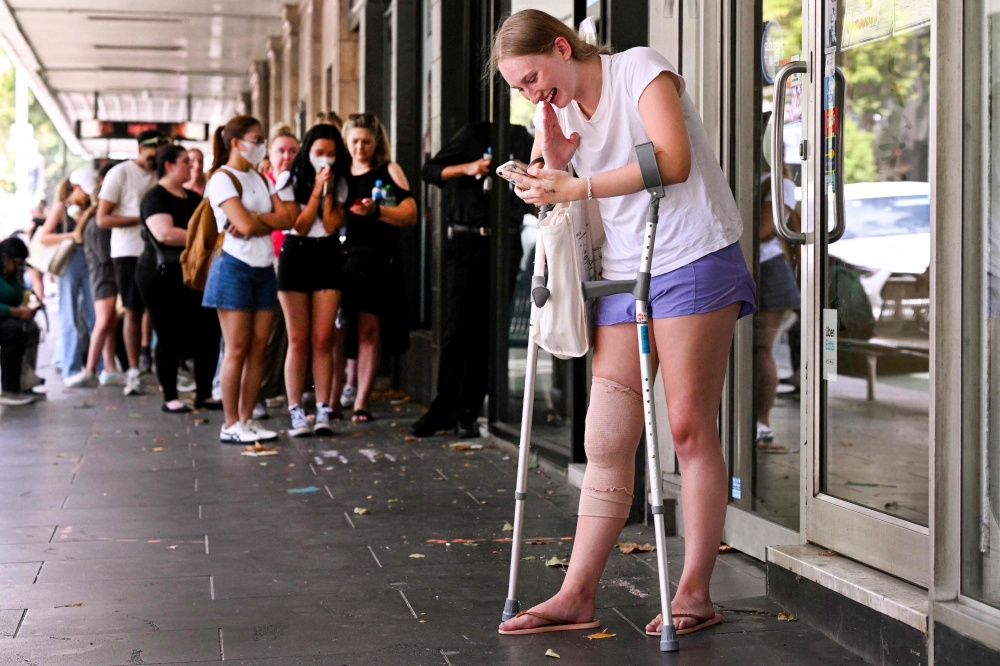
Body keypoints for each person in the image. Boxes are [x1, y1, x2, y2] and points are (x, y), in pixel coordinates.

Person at [492, 10, 755, 636]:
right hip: (623, 270)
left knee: (688, 428)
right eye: (520, 89)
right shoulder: (556, 112)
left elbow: (673, 159)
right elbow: (550, 184)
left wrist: (574, 188)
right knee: (607, 437)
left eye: (533, 78)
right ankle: (576, 594)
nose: (531, 95)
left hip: (692, 255)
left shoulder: (639, 67)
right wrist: (551, 160)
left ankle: (694, 592)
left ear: (562, 47)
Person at [410, 121, 532, 437]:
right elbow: (430, 172)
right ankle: (443, 408)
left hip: (505, 241)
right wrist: (469, 168)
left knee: (488, 330)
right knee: (456, 326)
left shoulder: (522, 137)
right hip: (467, 241)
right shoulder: (471, 134)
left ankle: (469, 411)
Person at [202, 115, 293, 443]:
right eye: (257, 139)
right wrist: (258, 220)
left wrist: (255, 217)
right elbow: (251, 224)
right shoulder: (222, 179)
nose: (262, 145)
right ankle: (230, 423)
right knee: (237, 347)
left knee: (259, 349)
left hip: (263, 267)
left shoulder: (260, 179)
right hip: (233, 268)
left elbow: (288, 217)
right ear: (237, 143)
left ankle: (247, 418)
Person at [340, 113, 418, 422]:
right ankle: (333, 399)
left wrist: (377, 212)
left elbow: (410, 214)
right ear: (346, 143)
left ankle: (362, 401)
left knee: (369, 330)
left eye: (366, 142)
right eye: (355, 142)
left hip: (377, 261)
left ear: (377, 143)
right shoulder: (338, 174)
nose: (360, 148)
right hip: (341, 259)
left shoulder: (388, 170)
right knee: (337, 331)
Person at [136, 145, 223, 413]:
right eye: (185, 161)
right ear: (169, 165)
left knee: (209, 331)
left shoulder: (193, 198)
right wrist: (201, 239)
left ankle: (204, 393)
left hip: (192, 275)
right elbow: (165, 233)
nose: (192, 166)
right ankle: (170, 396)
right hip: (161, 275)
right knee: (168, 334)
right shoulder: (154, 197)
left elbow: (211, 226)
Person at [276, 124, 350, 436]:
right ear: (308, 152)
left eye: (331, 154)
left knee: (323, 338)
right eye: (319, 153)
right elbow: (300, 225)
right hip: (296, 253)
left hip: (327, 254)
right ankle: (295, 408)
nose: (325, 160)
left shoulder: (341, 181)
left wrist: (329, 191)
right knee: (298, 339)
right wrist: (317, 191)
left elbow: (332, 224)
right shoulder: (289, 179)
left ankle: (322, 408)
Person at [97, 129, 169, 395]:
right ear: (140, 150)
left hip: (157, 252)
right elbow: (102, 218)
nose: (157, 160)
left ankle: (161, 363)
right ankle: (133, 370)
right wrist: (143, 219)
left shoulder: (159, 175)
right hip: (128, 251)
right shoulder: (121, 173)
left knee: (159, 310)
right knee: (132, 310)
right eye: (154, 154)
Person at [65, 164, 125, 388]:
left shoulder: (90, 221)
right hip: (104, 277)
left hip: (102, 276)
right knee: (102, 322)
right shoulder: (96, 225)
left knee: (108, 322)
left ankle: (108, 367)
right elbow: (105, 255)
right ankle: (91, 369)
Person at [37, 169, 97, 382]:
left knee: (94, 316)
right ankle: (71, 368)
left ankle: (96, 368)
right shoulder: (61, 207)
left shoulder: (90, 208)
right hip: (69, 261)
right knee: (69, 316)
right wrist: (73, 234)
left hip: (88, 260)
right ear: (76, 187)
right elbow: (44, 236)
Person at [756, 175, 800, 452]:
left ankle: (762, 425)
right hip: (749, 267)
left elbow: (763, 228)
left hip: (768, 269)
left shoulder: (778, 183)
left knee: (760, 349)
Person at [0, 237, 41, 405]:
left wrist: (27, 307)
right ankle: (10, 389)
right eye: (16, 263)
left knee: (31, 328)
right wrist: (13, 311)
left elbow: (15, 296)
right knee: (13, 330)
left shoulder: (8, 274)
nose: (18, 268)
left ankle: (24, 382)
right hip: (5, 317)